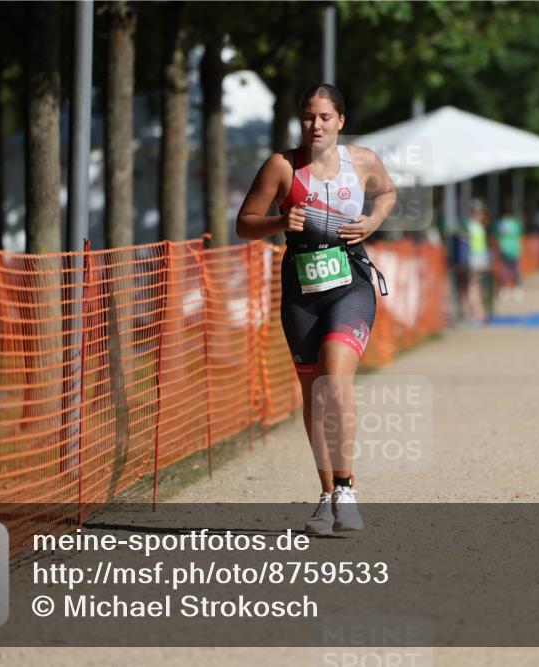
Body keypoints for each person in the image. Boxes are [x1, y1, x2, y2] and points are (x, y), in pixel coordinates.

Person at [236, 84, 396, 535]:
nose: (316, 125)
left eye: (325, 117)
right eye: (308, 117)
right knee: (314, 394)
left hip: (351, 282)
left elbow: (387, 194)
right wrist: (278, 221)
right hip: (302, 289)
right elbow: (244, 224)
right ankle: (326, 496)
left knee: (335, 377)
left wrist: (374, 221)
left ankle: (347, 487)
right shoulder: (281, 167)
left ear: (340, 121)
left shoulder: (362, 161)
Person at [463, 200, 490, 322]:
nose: (480, 215)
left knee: (475, 286)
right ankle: (475, 312)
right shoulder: (470, 226)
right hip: (473, 260)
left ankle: (475, 311)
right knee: (472, 286)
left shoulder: (477, 226)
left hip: (478, 260)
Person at [493, 210, 523, 301]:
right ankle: (513, 290)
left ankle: (507, 290)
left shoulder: (501, 224)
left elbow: (497, 236)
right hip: (512, 251)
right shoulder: (516, 224)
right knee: (513, 271)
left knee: (507, 271)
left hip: (506, 251)